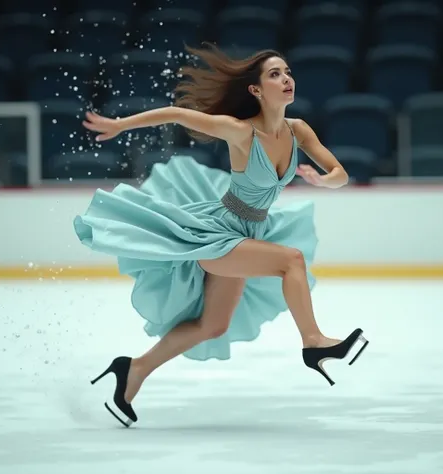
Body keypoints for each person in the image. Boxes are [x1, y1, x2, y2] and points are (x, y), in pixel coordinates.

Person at [75, 43, 369, 428]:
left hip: (249, 232)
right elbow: (179, 114)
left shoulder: (298, 131)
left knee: (213, 325)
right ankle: (313, 342)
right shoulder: (240, 131)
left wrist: (323, 179)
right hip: (217, 234)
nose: (286, 79)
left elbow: (340, 173)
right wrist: (120, 125)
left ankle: (133, 370)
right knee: (290, 260)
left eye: (287, 72)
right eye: (274, 74)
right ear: (257, 90)